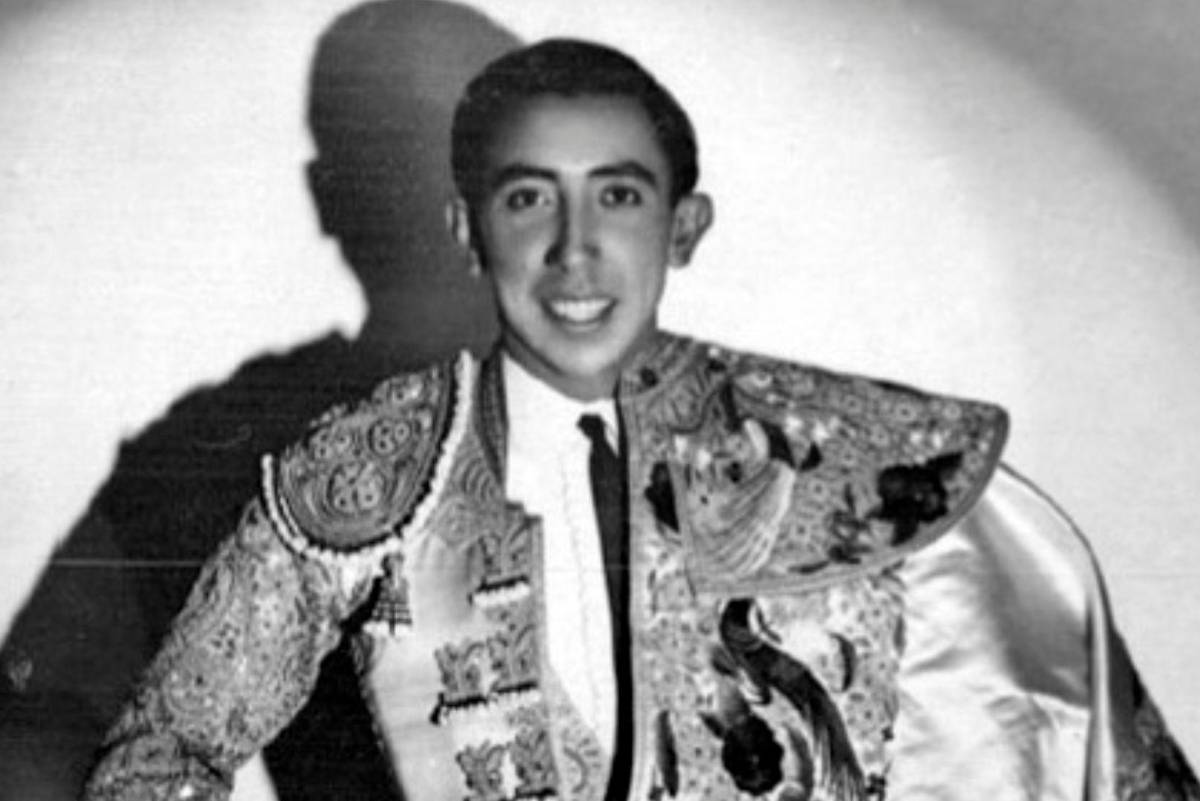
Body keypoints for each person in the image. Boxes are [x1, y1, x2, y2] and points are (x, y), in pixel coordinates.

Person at [84, 38, 1197, 801]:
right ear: (468, 229)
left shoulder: (835, 452)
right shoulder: (370, 475)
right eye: (529, 198)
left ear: (684, 226)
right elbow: (161, 753)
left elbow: (1066, 719)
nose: (575, 251)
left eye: (617, 195)